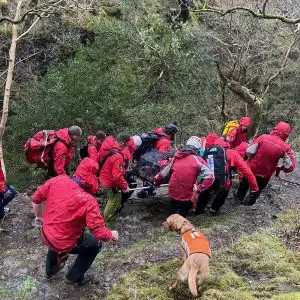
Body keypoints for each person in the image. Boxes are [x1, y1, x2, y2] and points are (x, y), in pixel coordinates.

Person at [31, 157, 119, 285]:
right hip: (65, 241)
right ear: (92, 178)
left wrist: (39, 216)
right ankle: (73, 277)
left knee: (56, 238)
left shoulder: (58, 179)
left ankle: (49, 271)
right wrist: (111, 234)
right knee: (95, 244)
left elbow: (35, 199)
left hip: (46, 234)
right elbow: (98, 232)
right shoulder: (88, 200)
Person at [196, 134, 259, 215]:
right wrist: (254, 188)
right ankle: (213, 210)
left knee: (205, 193)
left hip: (208, 179)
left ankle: (199, 211)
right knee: (224, 190)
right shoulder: (232, 153)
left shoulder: (209, 151)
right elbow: (247, 172)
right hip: (222, 181)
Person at [236, 122, 296, 206]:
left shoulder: (263, 137)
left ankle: (239, 199)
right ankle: (248, 204)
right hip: (265, 174)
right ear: (287, 134)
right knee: (256, 190)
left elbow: (249, 151)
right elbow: (290, 167)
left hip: (251, 168)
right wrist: (282, 168)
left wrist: (249, 158)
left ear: (275, 129)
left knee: (244, 184)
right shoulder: (285, 147)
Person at [154, 136, 214, 217]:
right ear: (198, 148)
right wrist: (199, 188)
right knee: (183, 211)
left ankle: (171, 222)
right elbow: (210, 177)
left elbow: (161, 175)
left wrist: (157, 183)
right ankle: (181, 222)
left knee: (173, 208)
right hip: (188, 192)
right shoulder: (199, 160)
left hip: (173, 190)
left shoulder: (176, 157)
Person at [99, 133, 131, 221]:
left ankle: (109, 214)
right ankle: (105, 220)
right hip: (110, 181)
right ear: (121, 143)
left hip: (105, 177)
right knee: (112, 201)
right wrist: (125, 186)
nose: (126, 147)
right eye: (126, 144)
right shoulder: (118, 156)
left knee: (116, 197)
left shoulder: (112, 149)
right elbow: (117, 176)